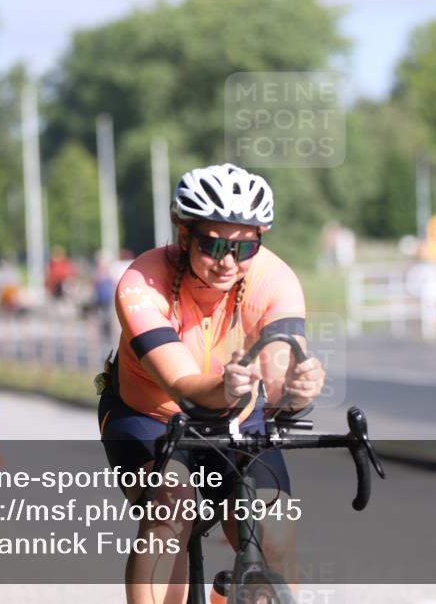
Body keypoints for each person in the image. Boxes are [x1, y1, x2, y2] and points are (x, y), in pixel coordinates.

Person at [96, 163, 325, 604]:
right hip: (149, 413)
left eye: (244, 248)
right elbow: (182, 384)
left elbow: (280, 373)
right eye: (213, 245)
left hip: (236, 415)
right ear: (184, 236)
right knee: (171, 509)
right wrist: (226, 388)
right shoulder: (143, 282)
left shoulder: (273, 278)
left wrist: (298, 388)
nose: (227, 262)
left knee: (272, 529)